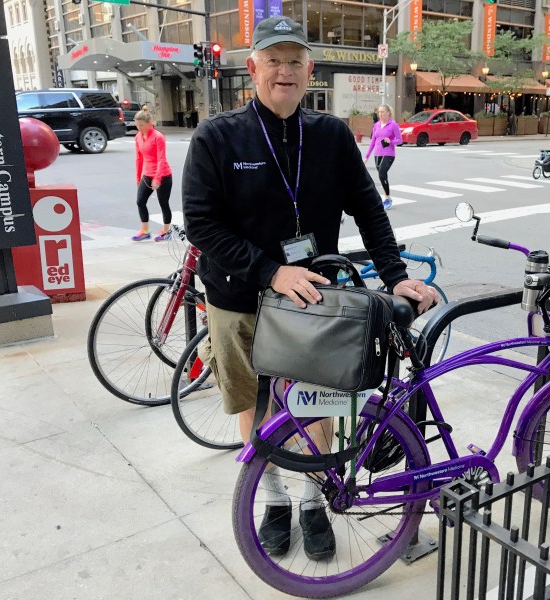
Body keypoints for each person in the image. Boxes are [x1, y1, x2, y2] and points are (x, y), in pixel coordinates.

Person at [181, 15, 437, 562]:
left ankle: (311, 498)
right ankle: (271, 496)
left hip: (311, 301)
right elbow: (202, 225)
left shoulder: (331, 134)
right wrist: (270, 270)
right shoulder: (216, 136)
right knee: (253, 401)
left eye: (295, 61)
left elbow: (369, 208)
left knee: (312, 399)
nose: (285, 71)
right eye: (273, 60)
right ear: (252, 68)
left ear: (309, 69)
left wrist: (396, 275)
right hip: (240, 297)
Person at [131, 110, 173, 241]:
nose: (139, 128)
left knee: (163, 203)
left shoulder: (158, 136)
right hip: (147, 174)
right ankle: (145, 231)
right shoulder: (138, 136)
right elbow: (139, 158)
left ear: (150, 123)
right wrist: (138, 177)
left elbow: (161, 159)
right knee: (140, 201)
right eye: (137, 125)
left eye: (141, 125)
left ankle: (166, 231)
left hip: (163, 175)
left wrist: (157, 178)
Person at [364, 104, 402, 209]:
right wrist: (366, 156)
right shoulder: (376, 125)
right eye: (379, 112)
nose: (380, 114)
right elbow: (372, 141)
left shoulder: (393, 125)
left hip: (389, 153)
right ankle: (386, 196)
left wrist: (390, 141)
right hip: (377, 153)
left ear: (388, 113)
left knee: (382, 174)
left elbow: (400, 140)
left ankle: (387, 198)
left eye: (382, 112)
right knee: (382, 176)